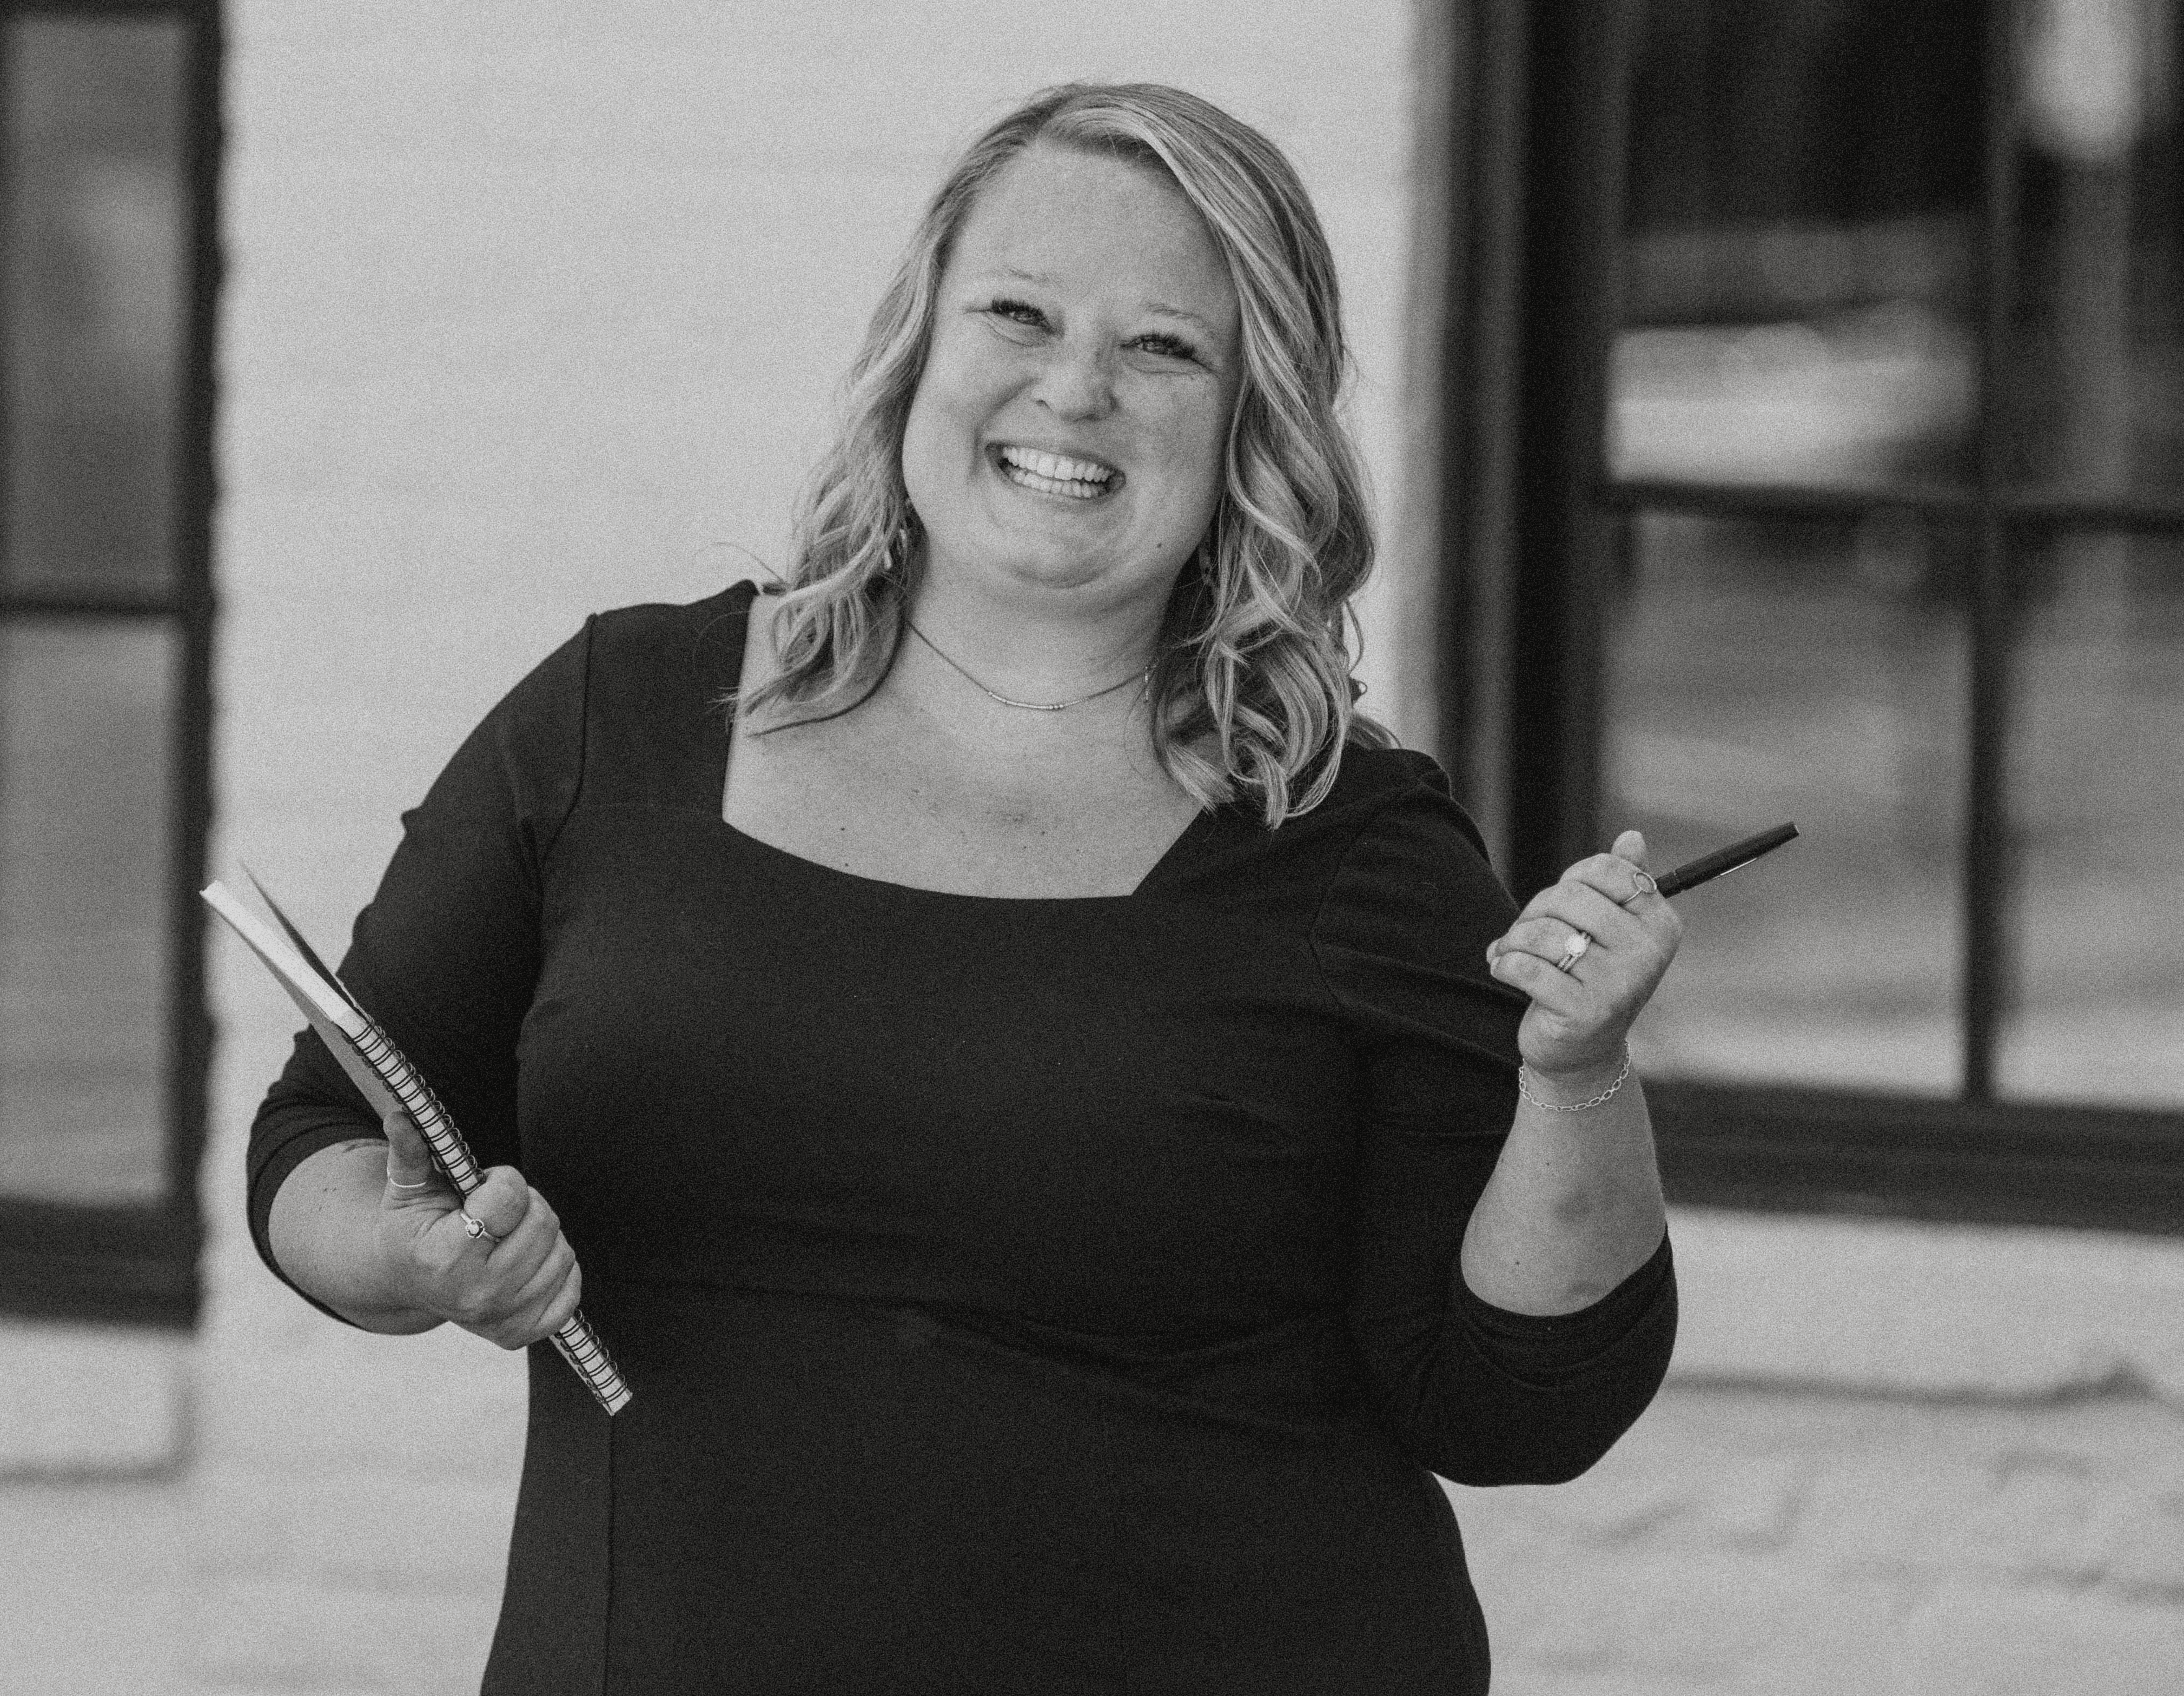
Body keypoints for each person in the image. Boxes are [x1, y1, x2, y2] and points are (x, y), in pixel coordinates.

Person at [247, 82, 1679, 1693]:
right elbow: (323, 1134)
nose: (1075, 390)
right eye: (1019, 313)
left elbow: (1522, 1402)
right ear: (920, 341)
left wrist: (1576, 1072)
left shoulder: (1351, 843)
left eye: (1163, 348)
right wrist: (417, 1263)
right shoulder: (616, 722)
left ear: (1249, 423)